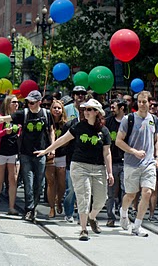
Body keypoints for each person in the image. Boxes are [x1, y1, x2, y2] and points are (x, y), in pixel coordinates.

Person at [36, 99, 113, 241]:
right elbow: (62, 140)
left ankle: (92, 217)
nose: (86, 112)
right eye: (85, 109)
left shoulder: (104, 131)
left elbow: (107, 153)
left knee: (101, 200)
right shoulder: (79, 127)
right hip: (79, 166)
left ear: (96, 112)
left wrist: (110, 172)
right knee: (84, 197)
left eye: (89, 109)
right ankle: (83, 229)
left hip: (98, 168)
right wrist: (47, 150)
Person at [0, 90, 54, 221]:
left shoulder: (46, 114)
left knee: (39, 184)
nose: (30, 104)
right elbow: (2, 119)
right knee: (28, 182)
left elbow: (51, 131)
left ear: (39, 102)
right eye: (28, 102)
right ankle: (28, 209)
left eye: (33, 102)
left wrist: (52, 148)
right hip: (25, 154)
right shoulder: (24, 113)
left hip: (41, 153)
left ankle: (33, 208)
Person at [115, 91, 158, 237]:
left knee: (147, 192)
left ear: (150, 103)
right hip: (131, 163)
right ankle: (123, 212)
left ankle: (137, 226)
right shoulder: (129, 119)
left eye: (144, 101)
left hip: (148, 163)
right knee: (131, 194)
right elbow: (118, 141)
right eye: (139, 101)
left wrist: (157, 157)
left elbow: (156, 140)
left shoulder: (154, 120)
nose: (141, 104)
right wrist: (133, 151)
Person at [0, 94, 20, 215]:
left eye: (17, 102)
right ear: (8, 104)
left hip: (13, 152)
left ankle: (11, 207)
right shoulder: (0, 117)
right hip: (0, 152)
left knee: (13, 179)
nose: (16, 104)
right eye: (14, 102)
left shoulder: (19, 117)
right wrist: (4, 132)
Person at [104, 98, 127, 227]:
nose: (112, 109)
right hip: (112, 161)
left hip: (126, 160)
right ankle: (110, 217)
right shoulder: (108, 122)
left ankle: (124, 214)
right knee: (111, 192)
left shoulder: (129, 121)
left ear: (122, 108)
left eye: (114, 107)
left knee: (126, 190)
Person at [47, 99, 68, 218]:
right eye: (54, 108)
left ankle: (58, 201)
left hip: (62, 155)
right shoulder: (47, 121)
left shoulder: (65, 124)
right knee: (51, 182)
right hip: (49, 156)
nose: (56, 110)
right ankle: (51, 207)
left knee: (61, 184)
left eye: (59, 108)